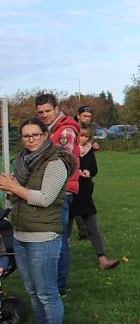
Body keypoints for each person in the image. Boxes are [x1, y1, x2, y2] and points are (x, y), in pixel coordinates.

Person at [0, 118, 75, 324]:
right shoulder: (24, 161)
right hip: (21, 233)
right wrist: (10, 190)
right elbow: (17, 199)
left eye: (35, 135)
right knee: (33, 292)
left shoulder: (55, 162)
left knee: (47, 293)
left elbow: (44, 198)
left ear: (45, 135)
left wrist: (14, 187)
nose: (31, 139)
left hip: (43, 236)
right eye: (26, 135)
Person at [35, 93, 79, 296]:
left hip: (62, 189)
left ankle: (59, 286)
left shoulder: (65, 130)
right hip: (49, 188)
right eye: (40, 112)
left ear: (56, 109)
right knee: (51, 236)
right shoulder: (49, 130)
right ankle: (52, 282)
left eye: (47, 111)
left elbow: (61, 162)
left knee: (58, 238)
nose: (44, 115)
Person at [70, 125, 120, 270]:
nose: (83, 139)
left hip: (85, 193)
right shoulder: (70, 150)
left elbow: (94, 168)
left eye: (86, 136)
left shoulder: (89, 151)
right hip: (71, 193)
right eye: (81, 136)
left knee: (93, 227)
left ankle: (102, 258)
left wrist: (88, 172)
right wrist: (77, 172)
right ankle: (59, 261)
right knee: (64, 230)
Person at [72, 105, 98, 240]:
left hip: (86, 174)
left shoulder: (89, 130)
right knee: (75, 203)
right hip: (72, 176)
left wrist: (93, 146)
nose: (87, 119)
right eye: (85, 116)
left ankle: (85, 230)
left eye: (89, 117)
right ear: (78, 116)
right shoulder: (71, 129)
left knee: (85, 200)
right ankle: (83, 230)